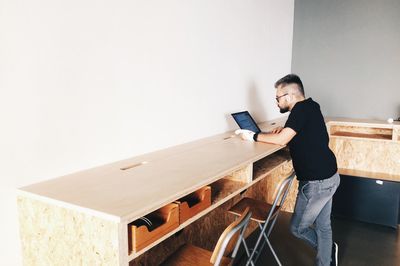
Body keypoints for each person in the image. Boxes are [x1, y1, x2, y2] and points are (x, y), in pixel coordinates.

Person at [236, 74, 340, 266]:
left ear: (289, 96)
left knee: (297, 228)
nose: (276, 102)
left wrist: (253, 136)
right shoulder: (311, 105)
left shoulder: (299, 111)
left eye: (278, 98)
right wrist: (282, 132)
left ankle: (326, 251)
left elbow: (283, 140)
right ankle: (327, 257)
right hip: (331, 176)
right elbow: (300, 133)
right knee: (324, 226)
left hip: (317, 183)